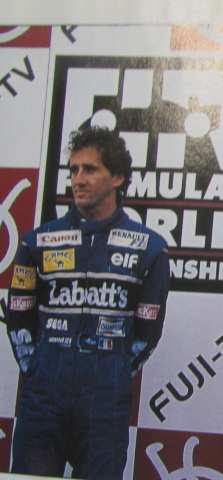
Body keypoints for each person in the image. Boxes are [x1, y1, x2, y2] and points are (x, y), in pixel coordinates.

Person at [5, 127, 170, 478]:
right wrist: (35, 367)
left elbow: (148, 330)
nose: (78, 179)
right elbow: (18, 315)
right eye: (74, 170)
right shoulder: (37, 243)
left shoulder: (150, 249)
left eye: (90, 169)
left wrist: (115, 369)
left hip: (105, 400)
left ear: (118, 178)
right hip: (43, 397)